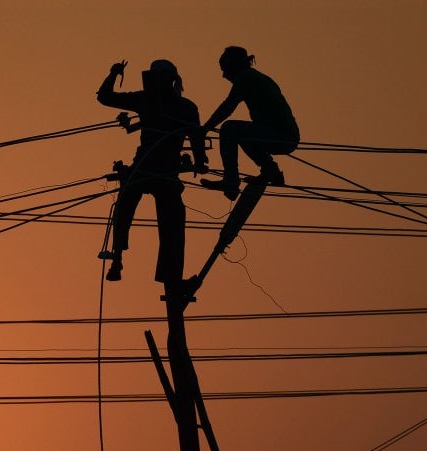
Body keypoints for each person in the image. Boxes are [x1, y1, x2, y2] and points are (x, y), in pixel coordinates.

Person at [96, 59, 208, 283]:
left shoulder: (182, 107)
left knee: (171, 221)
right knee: (126, 204)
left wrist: (199, 160)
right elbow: (105, 97)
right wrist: (113, 73)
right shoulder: (150, 100)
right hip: (148, 166)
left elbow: (196, 136)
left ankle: (169, 278)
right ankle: (117, 258)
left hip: (162, 170)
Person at [199, 46, 299, 201]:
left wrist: (204, 129)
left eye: (225, 69)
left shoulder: (245, 78)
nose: (224, 75)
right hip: (285, 135)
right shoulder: (258, 77)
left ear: (235, 65)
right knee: (241, 134)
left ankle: (231, 181)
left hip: (280, 135)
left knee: (229, 129)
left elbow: (227, 107)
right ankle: (271, 172)